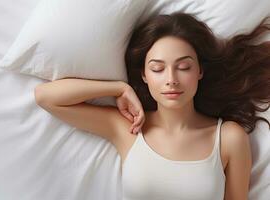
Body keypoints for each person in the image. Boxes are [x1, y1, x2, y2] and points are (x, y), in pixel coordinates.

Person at [34, 12, 270, 200]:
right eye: (157, 68)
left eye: (184, 67)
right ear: (145, 75)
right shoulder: (127, 129)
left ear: (200, 71)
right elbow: (46, 97)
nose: (171, 79)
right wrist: (118, 88)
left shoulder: (229, 138)